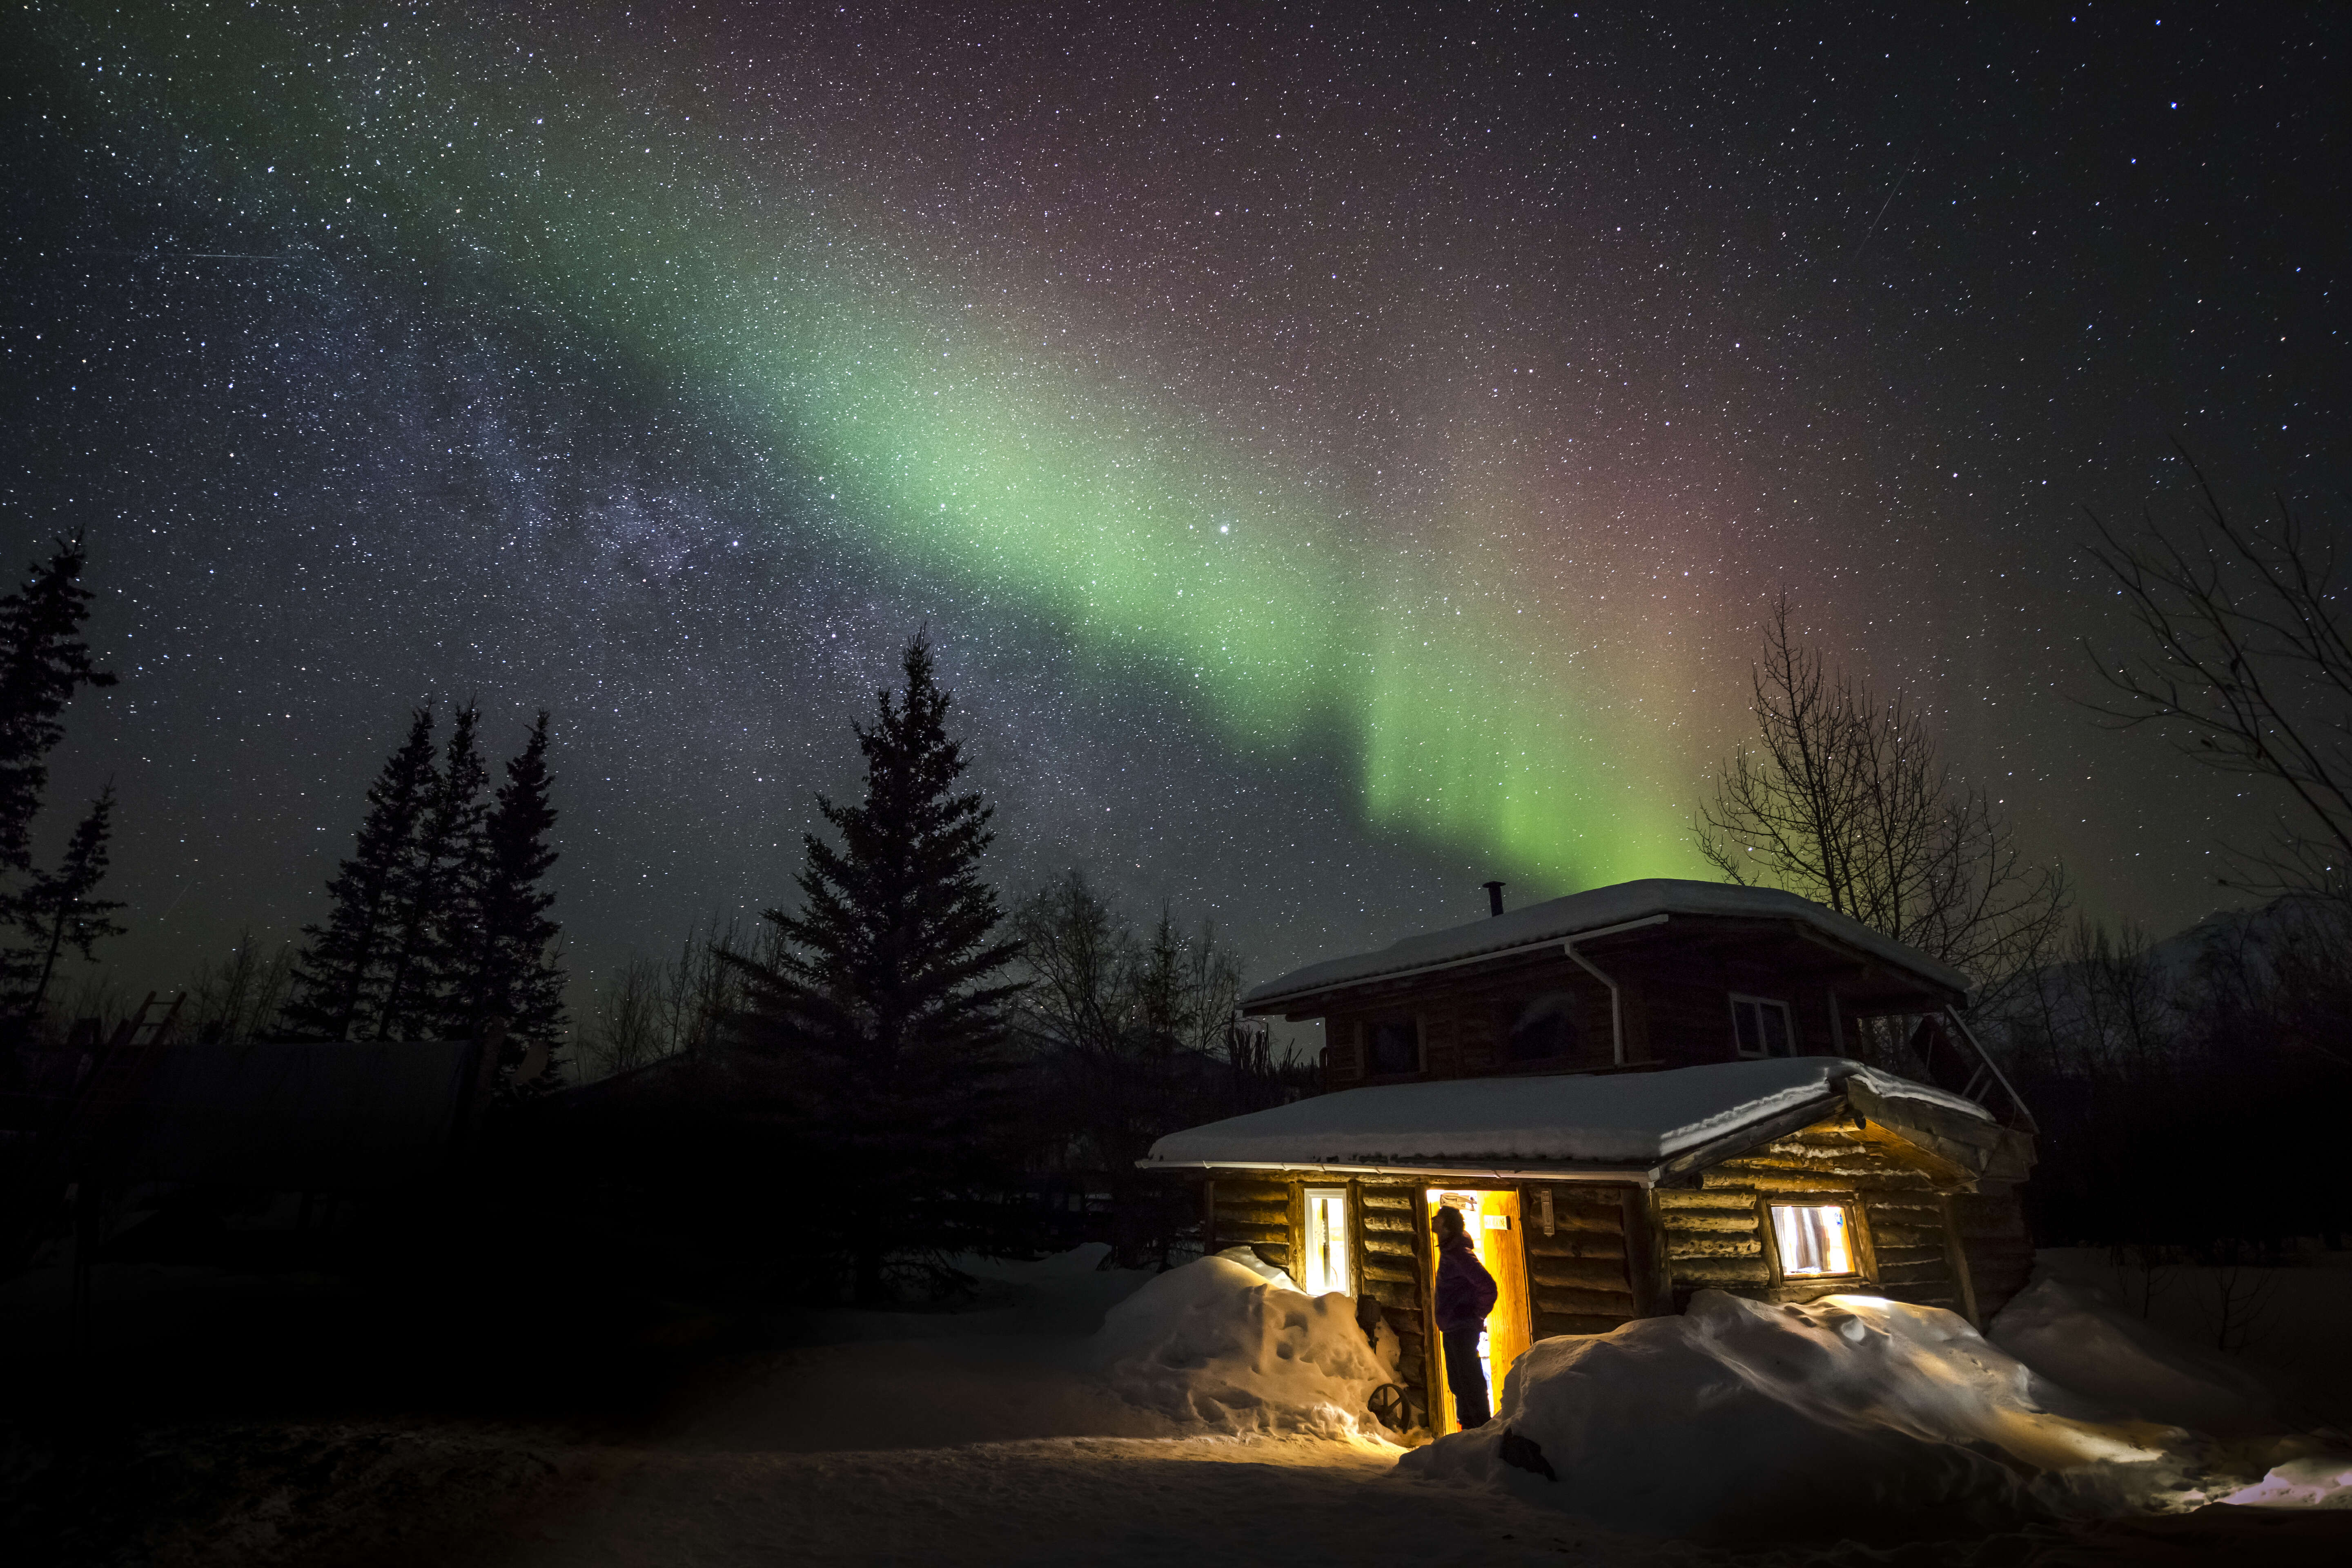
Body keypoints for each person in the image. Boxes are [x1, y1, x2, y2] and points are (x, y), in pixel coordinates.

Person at [1431, 1203, 1499, 1428]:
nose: (1434, 1220)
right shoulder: (1451, 1251)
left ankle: (1480, 1427)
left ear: (1448, 1227)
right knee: (1459, 1381)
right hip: (1453, 1327)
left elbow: (1488, 1286)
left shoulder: (1460, 1254)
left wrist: (1476, 1314)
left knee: (1469, 1380)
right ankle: (1468, 1427)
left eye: (1439, 1218)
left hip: (1462, 1327)